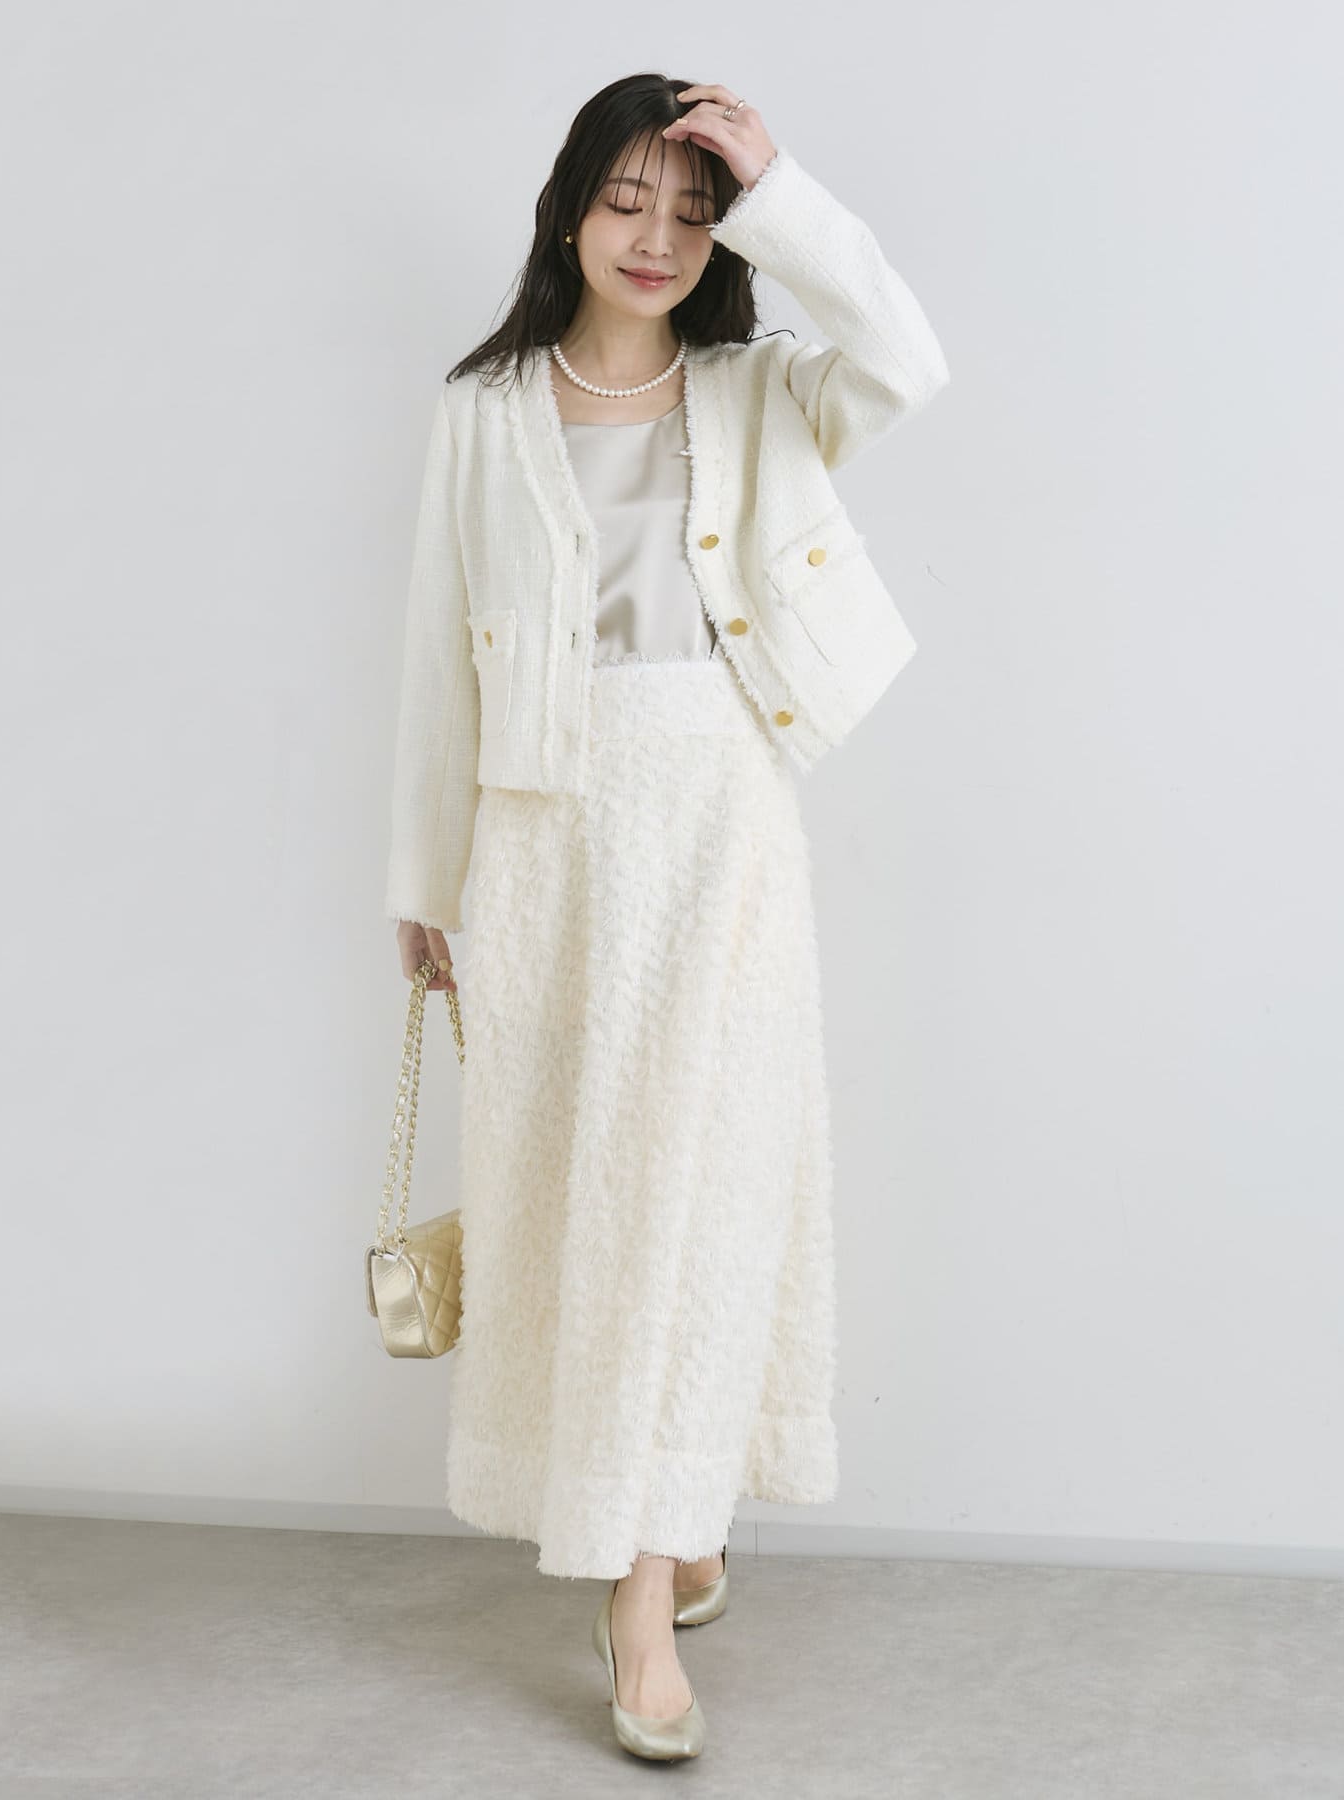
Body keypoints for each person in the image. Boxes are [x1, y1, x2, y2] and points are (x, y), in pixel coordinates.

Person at [384, 72, 949, 1762]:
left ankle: (643, 1595)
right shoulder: (484, 409)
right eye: (628, 199)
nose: (658, 238)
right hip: (543, 841)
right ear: (571, 207)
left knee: (704, 1188)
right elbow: (435, 655)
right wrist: (425, 884)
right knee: (584, 1197)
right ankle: (666, 1516)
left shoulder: (759, 388)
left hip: (719, 822)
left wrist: (780, 184)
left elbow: (907, 356)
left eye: (695, 213)